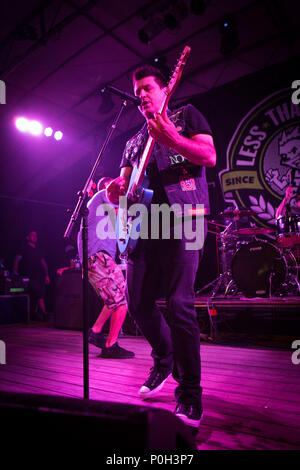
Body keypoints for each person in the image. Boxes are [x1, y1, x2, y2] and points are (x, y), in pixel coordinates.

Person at [106, 65, 216, 427]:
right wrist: (114, 190)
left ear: (164, 87)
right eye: (137, 92)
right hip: (145, 226)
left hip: (187, 219)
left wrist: (171, 139)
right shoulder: (132, 142)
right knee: (137, 303)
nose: (142, 96)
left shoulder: (185, 117)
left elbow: (208, 156)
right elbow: (122, 188)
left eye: (147, 88)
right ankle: (165, 358)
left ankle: (189, 395)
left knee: (180, 305)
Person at [77, 176, 134, 359]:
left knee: (114, 298)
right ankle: (110, 345)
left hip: (98, 259)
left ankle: (96, 330)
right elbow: (115, 192)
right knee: (122, 302)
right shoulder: (101, 196)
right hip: (98, 258)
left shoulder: (105, 212)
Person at [13, 230, 50, 321]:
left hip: (39, 275)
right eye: (32, 235)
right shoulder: (24, 248)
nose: (35, 237)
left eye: (36, 235)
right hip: (29, 276)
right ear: (28, 237)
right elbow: (17, 260)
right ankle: (43, 313)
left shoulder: (38, 249)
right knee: (37, 293)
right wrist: (15, 273)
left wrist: (47, 275)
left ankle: (37, 313)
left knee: (39, 293)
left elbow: (43, 262)